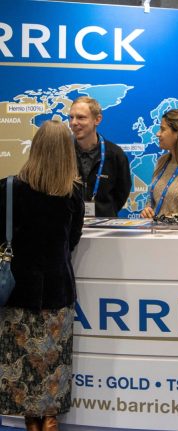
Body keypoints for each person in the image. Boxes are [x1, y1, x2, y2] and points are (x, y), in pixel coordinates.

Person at [0, 120, 85, 431]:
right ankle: (49, 420)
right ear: (67, 153)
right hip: (57, 291)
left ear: (35, 148)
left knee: (21, 361)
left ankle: (31, 421)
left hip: (17, 290)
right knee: (52, 363)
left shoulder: (9, 188)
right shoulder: (73, 193)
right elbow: (72, 240)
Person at [69, 96, 131, 217]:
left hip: (104, 224)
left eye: (81, 117)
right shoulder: (62, 153)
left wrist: (104, 210)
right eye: (71, 117)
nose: (74, 123)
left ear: (97, 120)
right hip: (69, 224)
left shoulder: (115, 154)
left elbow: (122, 193)